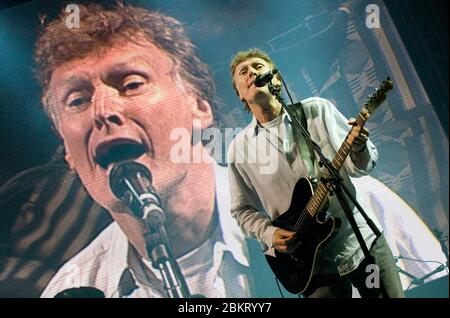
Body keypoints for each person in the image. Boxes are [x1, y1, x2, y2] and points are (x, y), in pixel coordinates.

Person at [35, 3, 253, 298]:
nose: (103, 111)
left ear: (199, 107)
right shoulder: (71, 288)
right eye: (77, 101)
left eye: (131, 84)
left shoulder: (302, 216)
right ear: (68, 152)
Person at [227, 48, 405, 298]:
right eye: (243, 72)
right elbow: (242, 211)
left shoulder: (316, 111)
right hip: (308, 263)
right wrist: (271, 234)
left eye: (258, 66)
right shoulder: (239, 149)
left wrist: (359, 147)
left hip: (358, 242)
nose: (252, 73)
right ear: (240, 95)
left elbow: (360, 167)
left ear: (275, 78)